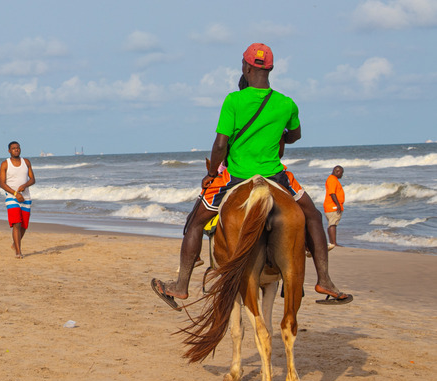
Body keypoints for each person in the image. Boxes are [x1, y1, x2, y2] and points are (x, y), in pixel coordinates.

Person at [151, 43, 352, 306]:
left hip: (236, 177)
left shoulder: (233, 100)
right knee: (312, 216)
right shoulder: (286, 104)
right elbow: (295, 135)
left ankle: (180, 286)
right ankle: (324, 279)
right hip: (276, 177)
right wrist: (277, 132)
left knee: (196, 221)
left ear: (246, 68)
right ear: (270, 69)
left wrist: (212, 173)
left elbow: (221, 144)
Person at [0, 141, 35, 259]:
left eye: (18, 148)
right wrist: (15, 193)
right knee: (17, 224)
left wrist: (25, 186)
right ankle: (18, 253)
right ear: (9, 151)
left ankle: (15, 244)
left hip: (26, 197)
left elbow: (32, 179)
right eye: (13, 148)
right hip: (11, 197)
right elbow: (2, 184)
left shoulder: (26, 162)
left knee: (24, 226)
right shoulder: (5, 164)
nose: (16, 150)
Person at [324, 166, 345, 250]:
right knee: (333, 224)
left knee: (332, 224)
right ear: (337, 171)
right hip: (333, 206)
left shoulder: (332, 179)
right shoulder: (332, 180)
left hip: (332, 205)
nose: (342, 175)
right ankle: (334, 243)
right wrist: (338, 205)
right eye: (342, 173)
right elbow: (332, 193)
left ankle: (332, 242)